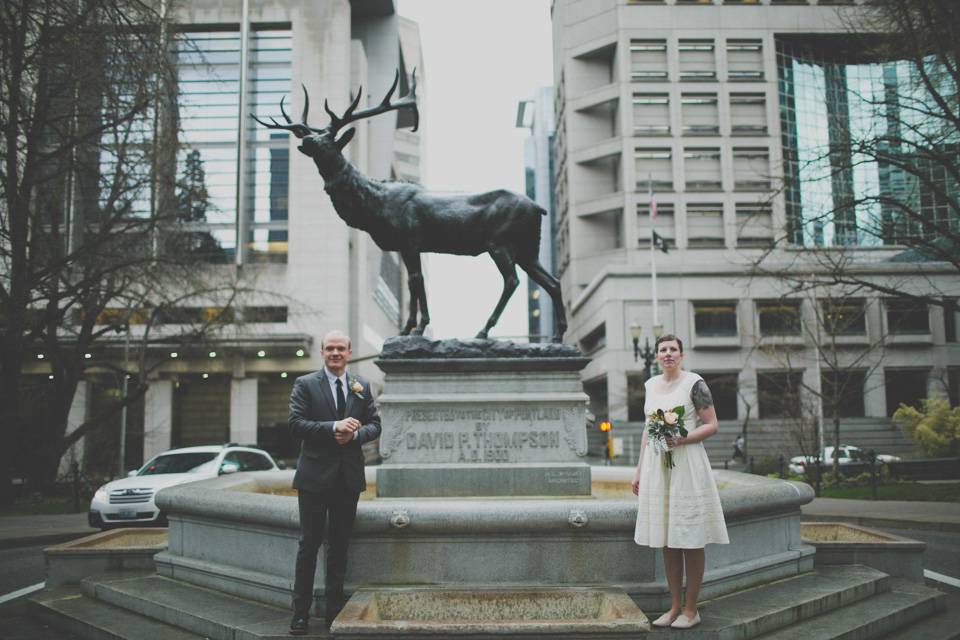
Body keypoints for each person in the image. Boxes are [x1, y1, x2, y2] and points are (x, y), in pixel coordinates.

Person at [631, 334, 728, 630]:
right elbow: (649, 431)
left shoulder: (695, 384)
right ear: (658, 356)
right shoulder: (650, 385)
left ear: (681, 355)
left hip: (686, 464)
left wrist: (682, 438)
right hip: (658, 466)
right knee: (666, 537)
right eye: (663, 350)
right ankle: (673, 608)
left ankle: (691, 609)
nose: (668, 354)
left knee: (689, 535)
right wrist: (638, 470)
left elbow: (712, 425)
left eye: (673, 349)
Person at [287, 330, 381, 636]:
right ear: (323, 353)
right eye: (330, 348)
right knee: (308, 544)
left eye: (341, 348)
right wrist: (333, 427)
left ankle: (333, 611)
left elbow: (375, 424)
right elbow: (296, 424)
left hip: (348, 477)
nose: (335, 353)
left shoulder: (362, 387)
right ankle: (300, 613)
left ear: (350, 353)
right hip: (314, 477)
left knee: (340, 546)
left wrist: (354, 435)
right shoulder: (305, 385)